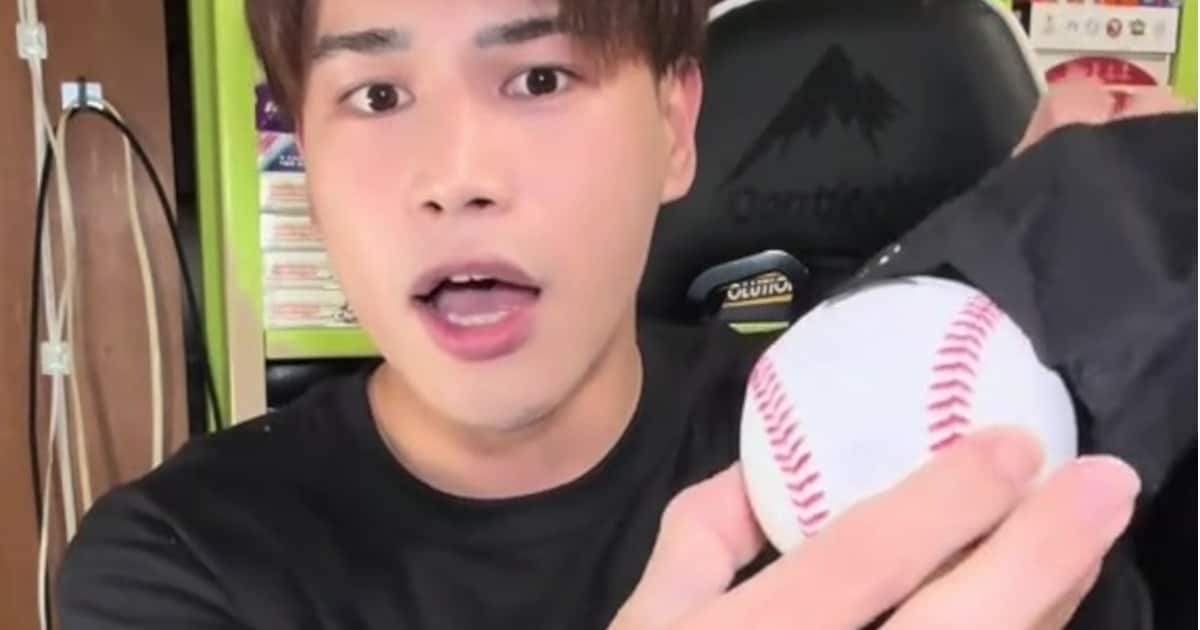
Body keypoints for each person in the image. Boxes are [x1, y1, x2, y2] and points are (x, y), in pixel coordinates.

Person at [58, 1, 1195, 628]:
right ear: (307, 166)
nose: (457, 177)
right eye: (378, 94)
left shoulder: (913, 462)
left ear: (675, 127)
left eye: (540, 79)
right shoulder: (175, 568)